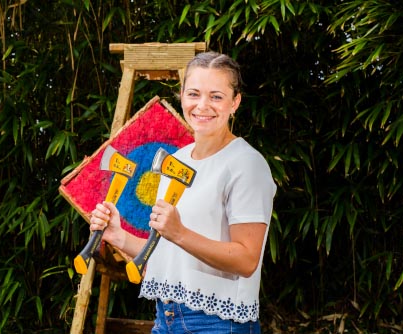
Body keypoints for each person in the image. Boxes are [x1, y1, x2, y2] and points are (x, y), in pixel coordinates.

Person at [89, 51, 276, 333]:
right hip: (166, 319)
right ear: (181, 95)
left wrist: (180, 232)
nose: (202, 106)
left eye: (216, 96)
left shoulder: (246, 164)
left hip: (217, 324)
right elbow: (169, 255)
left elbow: (247, 259)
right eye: (194, 94)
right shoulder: (177, 161)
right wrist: (119, 236)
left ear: (235, 102)